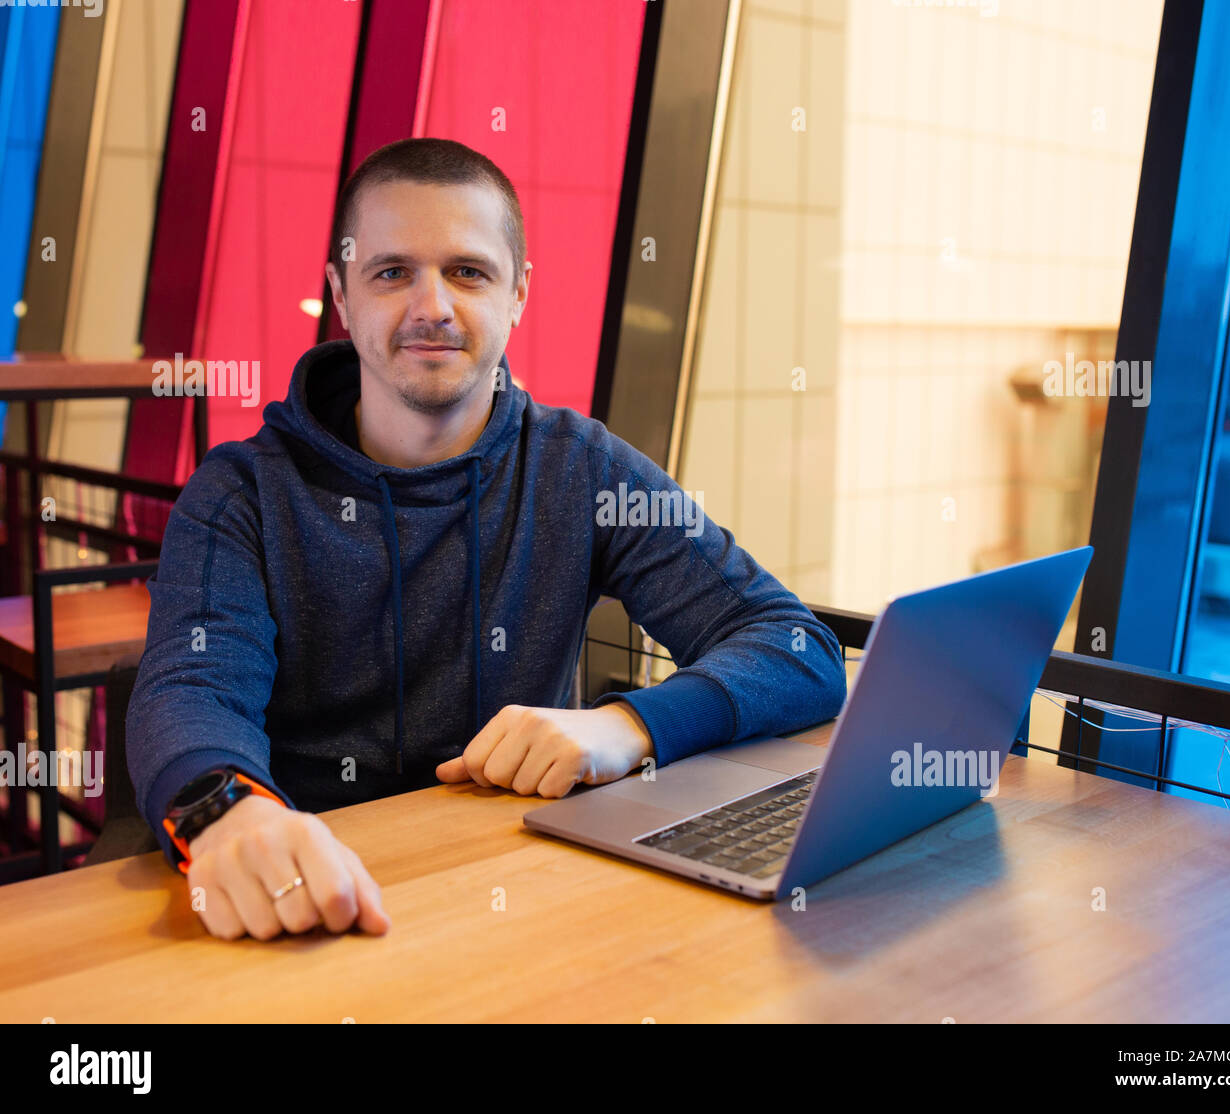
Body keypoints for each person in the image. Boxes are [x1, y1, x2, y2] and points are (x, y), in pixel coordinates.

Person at [126, 137, 846, 942]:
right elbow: (192, 694)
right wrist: (232, 815)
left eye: (467, 272)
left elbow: (796, 646)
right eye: (391, 273)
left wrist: (628, 726)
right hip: (315, 895)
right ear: (341, 295)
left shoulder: (582, 468)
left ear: (518, 294)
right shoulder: (240, 493)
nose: (431, 306)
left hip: (524, 890)